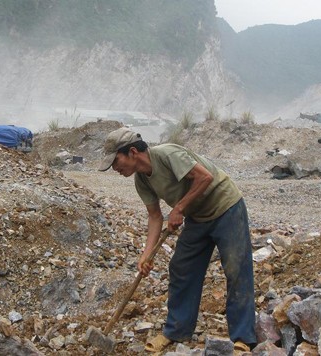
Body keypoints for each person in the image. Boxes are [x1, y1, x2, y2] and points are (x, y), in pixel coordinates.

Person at [99, 127, 256, 352]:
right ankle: (177, 331)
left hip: (226, 207)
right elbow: (155, 216)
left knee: (236, 269)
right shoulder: (142, 181)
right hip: (198, 217)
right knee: (182, 267)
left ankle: (243, 338)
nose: (114, 168)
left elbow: (205, 177)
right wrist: (146, 255)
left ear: (132, 152)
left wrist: (179, 208)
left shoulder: (167, 154)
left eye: (115, 162)